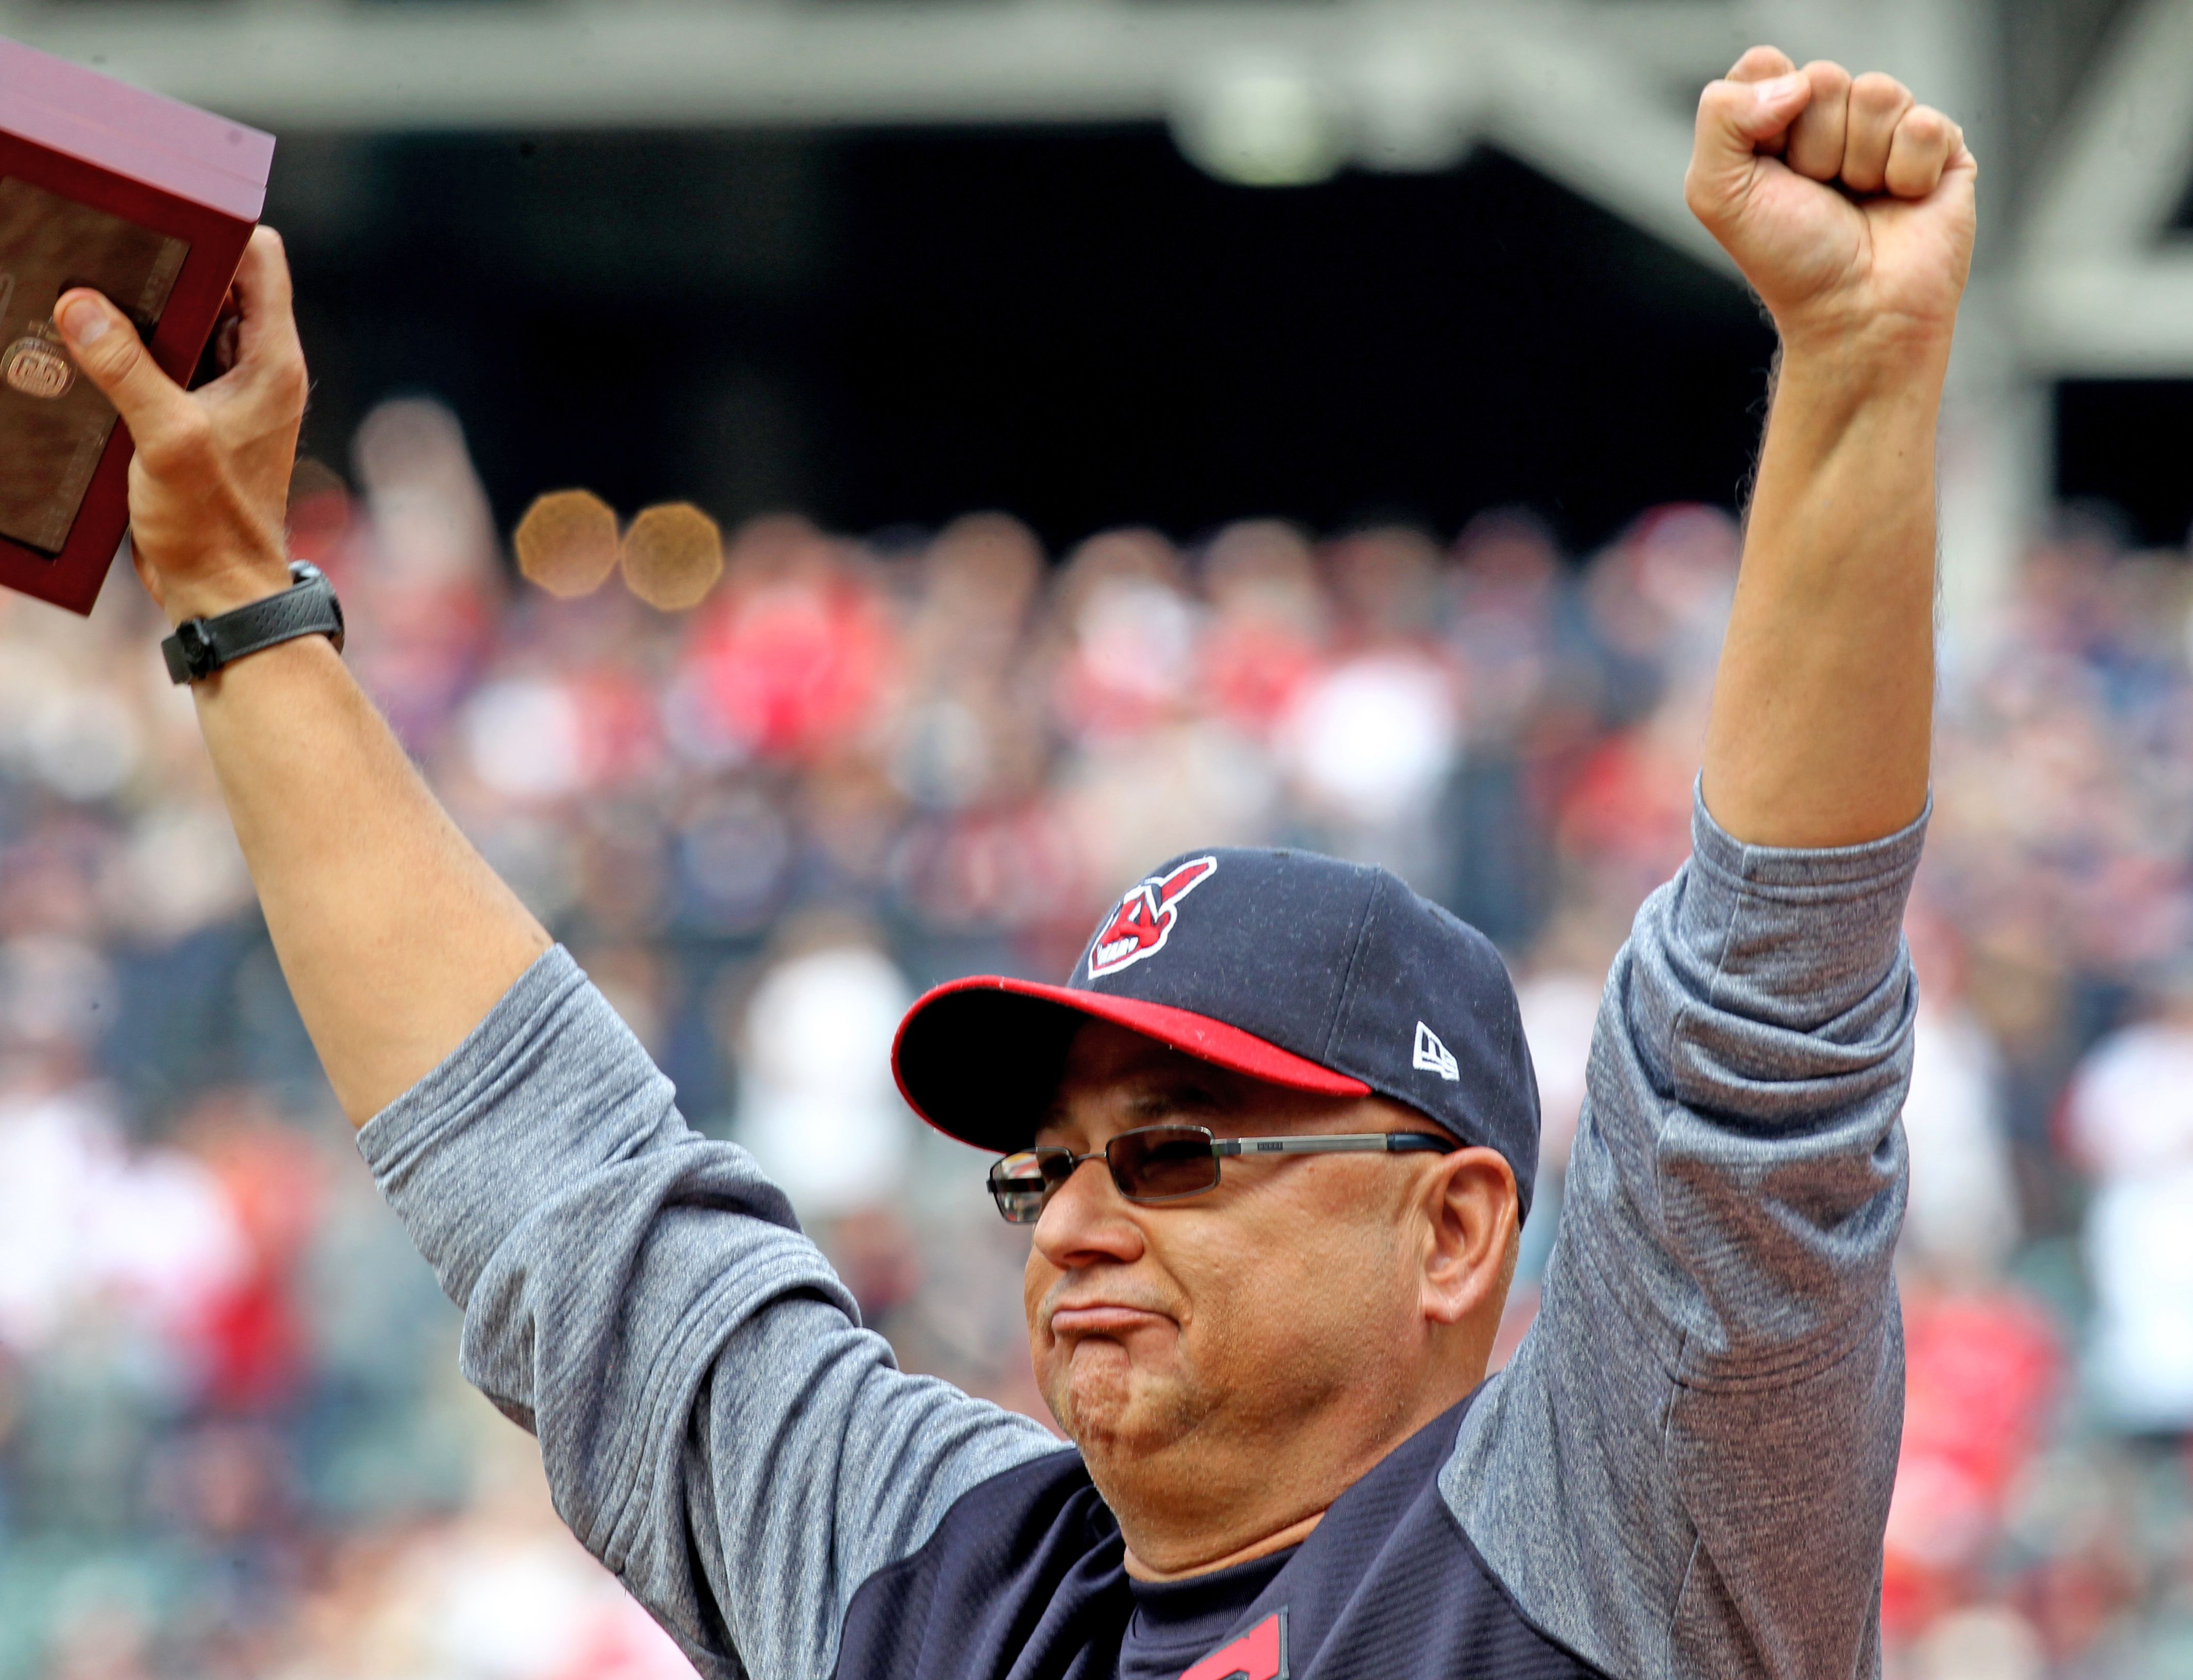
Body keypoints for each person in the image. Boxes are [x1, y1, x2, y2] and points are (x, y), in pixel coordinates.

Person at [51, 44, 1973, 1680]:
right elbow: (557, 1188)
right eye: (1047, 1169)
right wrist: (230, 594)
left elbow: (1759, 1039)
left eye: (1175, 1152)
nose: (1069, 1225)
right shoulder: (947, 1585)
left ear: (1456, 1232)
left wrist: (1859, 370)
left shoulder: (1607, 1554)